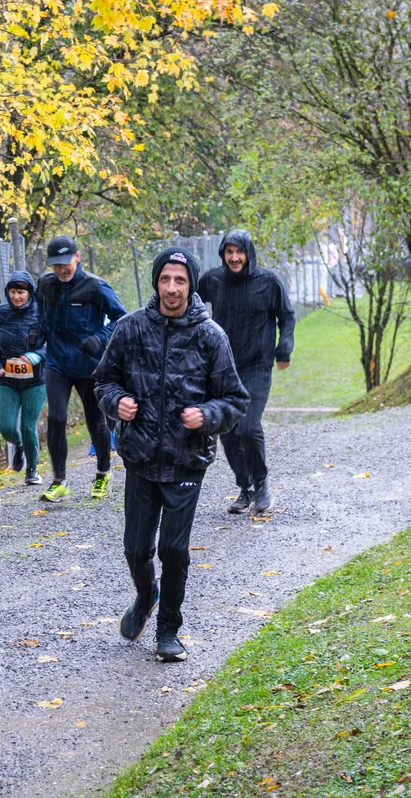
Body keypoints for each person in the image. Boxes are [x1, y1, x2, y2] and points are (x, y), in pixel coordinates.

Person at [94, 248, 248, 663]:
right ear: (156, 282)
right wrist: (118, 402)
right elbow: (103, 382)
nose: (173, 288)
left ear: (190, 285)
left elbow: (235, 400)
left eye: (180, 280)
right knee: (135, 550)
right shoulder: (130, 329)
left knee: (174, 551)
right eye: (166, 279)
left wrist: (208, 415)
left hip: (186, 460)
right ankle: (146, 595)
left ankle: (168, 630)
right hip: (141, 458)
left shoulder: (211, 336)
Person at [196, 230, 295, 514]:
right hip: (223, 366)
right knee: (227, 430)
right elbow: (190, 303)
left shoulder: (268, 281)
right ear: (223, 254)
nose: (235, 258)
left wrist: (284, 346)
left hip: (256, 364)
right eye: (229, 252)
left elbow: (286, 316)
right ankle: (245, 487)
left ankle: (262, 483)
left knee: (248, 427)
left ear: (249, 253)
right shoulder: (213, 281)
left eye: (239, 252)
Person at [35, 235, 126, 502]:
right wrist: (36, 332)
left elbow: (122, 318)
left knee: (95, 421)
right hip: (57, 363)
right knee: (56, 419)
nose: (61, 269)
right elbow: (40, 315)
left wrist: (100, 338)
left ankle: (102, 473)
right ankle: (59, 481)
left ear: (77, 257)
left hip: (89, 365)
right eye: (55, 265)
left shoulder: (96, 287)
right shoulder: (45, 284)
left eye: (65, 263)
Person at [0, 270, 46, 486]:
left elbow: (53, 342)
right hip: (7, 379)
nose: (17, 296)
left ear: (30, 293)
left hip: (35, 380)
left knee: (29, 426)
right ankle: (18, 445)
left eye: (21, 292)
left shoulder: (41, 312)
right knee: (7, 428)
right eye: (13, 292)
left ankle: (32, 471)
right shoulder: (0, 313)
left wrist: (37, 355)